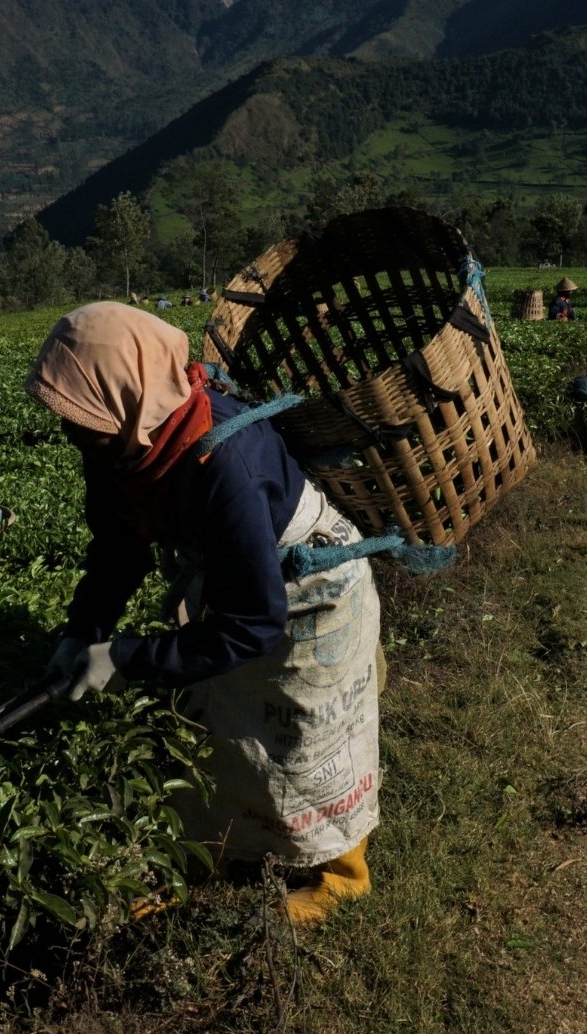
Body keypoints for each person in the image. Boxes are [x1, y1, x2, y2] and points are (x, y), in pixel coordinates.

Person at [26, 302, 382, 926]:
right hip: (243, 589)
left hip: (311, 598)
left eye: (80, 415)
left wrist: (127, 659)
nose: (71, 432)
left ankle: (342, 875)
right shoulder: (120, 441)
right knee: (224, 725)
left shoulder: (224, 460)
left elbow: (253, 623)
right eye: (69, 416)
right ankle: (221, 850)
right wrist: (83, 631)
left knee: (307, 734)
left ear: (128, 390)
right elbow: (118, 548)